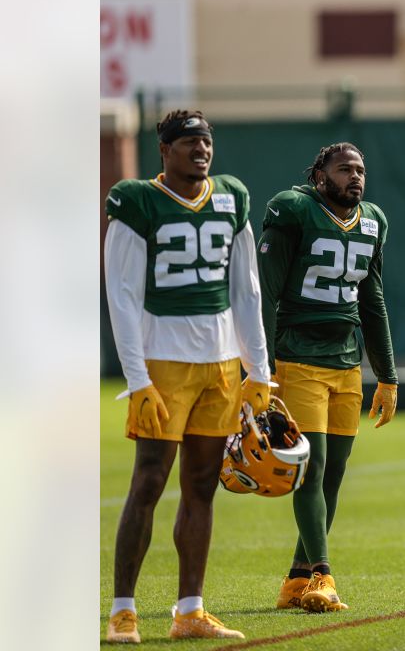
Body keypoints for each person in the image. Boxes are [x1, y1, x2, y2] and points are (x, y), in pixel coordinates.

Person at [104, 110, 272, 642]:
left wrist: (258, 369)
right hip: (163, 362)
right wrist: (137, 379)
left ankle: (190, 611)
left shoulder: (231, 197)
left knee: (202, 486)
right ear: (164, 149)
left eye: (206, 141)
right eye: (189, 142)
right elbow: (122, 297)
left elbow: (247, 289)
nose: (201, 150)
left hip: (221, 364)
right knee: (149, 481)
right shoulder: (137, 201)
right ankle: (124, 610)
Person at [257, 142, 398, 613]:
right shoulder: (294, 209)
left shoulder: (373, 220)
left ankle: (296, 580)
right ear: (320, 176)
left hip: (346, 362)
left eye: (360, 169)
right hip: (297, 358)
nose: (355, 177)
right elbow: (267, 292)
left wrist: (388, 376)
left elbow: (372, 302)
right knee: (311, 470)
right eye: (344, 169)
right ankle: (322, 574)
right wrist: (261, 366)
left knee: (333, 475)